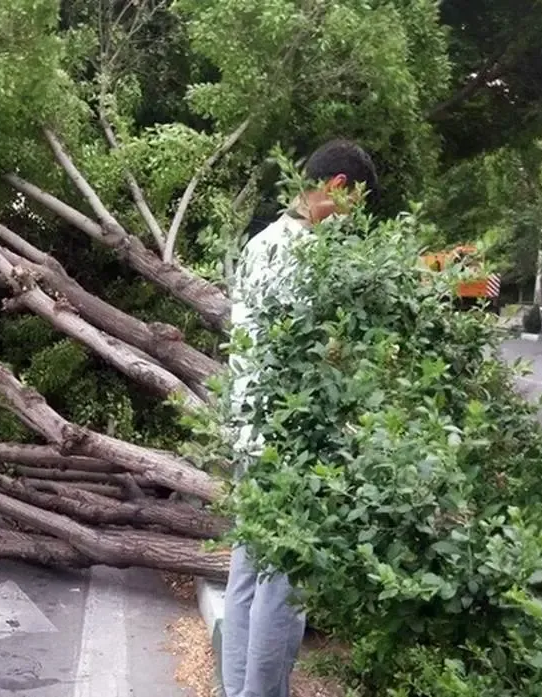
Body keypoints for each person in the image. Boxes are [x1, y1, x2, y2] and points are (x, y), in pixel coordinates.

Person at [221, 139, 379, 697]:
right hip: (286, 439)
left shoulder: (261, 243)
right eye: (355, 204)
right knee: (283, 587)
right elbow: (313, 356)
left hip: (248, 430)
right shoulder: (305, 253)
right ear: (338, 187)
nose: (351, 220)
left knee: (247, 575)